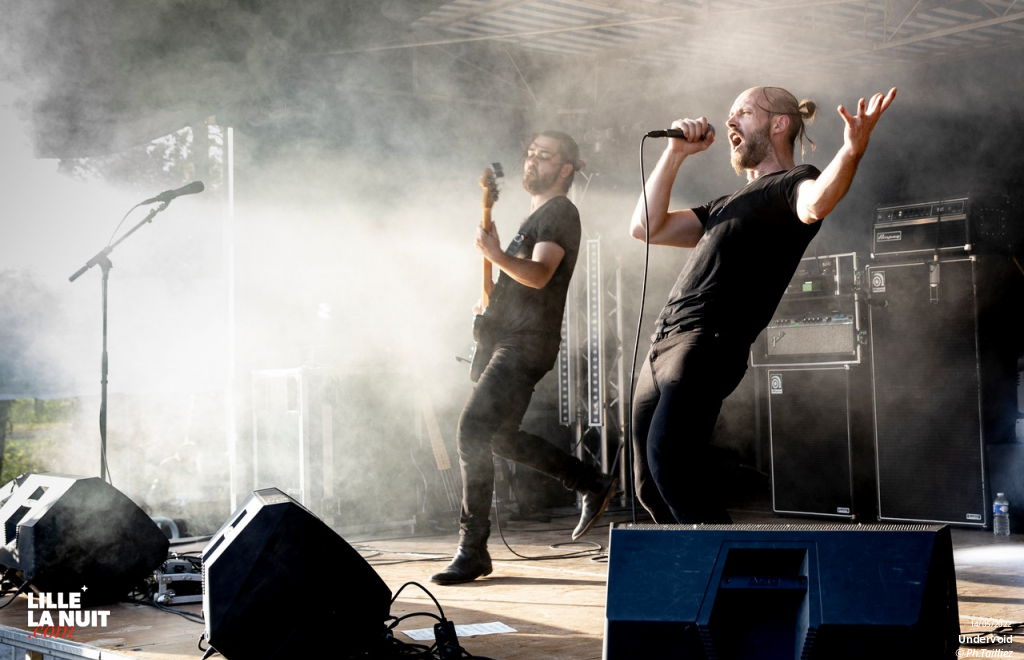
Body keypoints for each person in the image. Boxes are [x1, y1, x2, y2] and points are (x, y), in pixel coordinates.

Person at [628, 86, 896, 524]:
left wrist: (851, 151)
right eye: (730, 114)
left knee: (671, 464)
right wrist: (674, 153)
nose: (730, 122)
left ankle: (734, 581)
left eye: (744, 113)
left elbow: (817, 201)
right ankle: (698, 581)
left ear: (779, 124)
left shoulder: (790, 185)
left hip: (705, 343)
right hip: (662, 346)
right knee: (649, 488)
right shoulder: (723, 204)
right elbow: (645, 226)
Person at [431, 131, 618, 585]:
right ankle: (590, 482)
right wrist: (489, 301)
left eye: (544, 155)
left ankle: (472, 549)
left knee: (471, 429)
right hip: (511, 338)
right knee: (497, 437)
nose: (532, 160)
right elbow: (518, 287)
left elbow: (539, 275)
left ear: (566, 169)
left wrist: (495, 255)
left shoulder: (559, 212)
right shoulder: (533, 217)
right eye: (530, 153)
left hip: (526, 343)